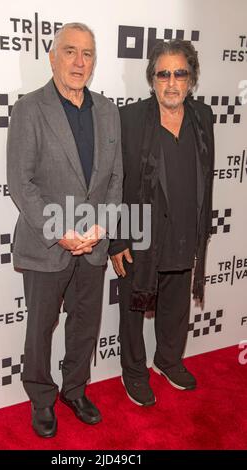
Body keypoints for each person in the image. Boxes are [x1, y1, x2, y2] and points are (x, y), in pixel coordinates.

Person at [7, 22, 122, 437]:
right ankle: (41, 398)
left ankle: (75, 389)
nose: (78, 61)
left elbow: (115, 180)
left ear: (94, 62)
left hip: (92, 243)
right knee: (39, 327)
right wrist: (59, 232)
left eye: (87, 53)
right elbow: (22, 183)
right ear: (52, 57)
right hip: (46, 244)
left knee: (85, 322)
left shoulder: (108, 110)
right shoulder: (29, 109)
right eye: (69, 51)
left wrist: (100, 227)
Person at [109, 39, 214, 406]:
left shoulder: (204, 117)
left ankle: (168, 360)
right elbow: (115, 182)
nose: (171, 83)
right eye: (163, 74)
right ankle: (134, 372)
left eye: (179, 74)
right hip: (140, 233)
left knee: (176, 304)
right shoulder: (130, 119)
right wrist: (118, 240)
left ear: (192, 78)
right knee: (133, 310)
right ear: (152, 79)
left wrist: (202, 230)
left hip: (185, 229)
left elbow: (206, 177)